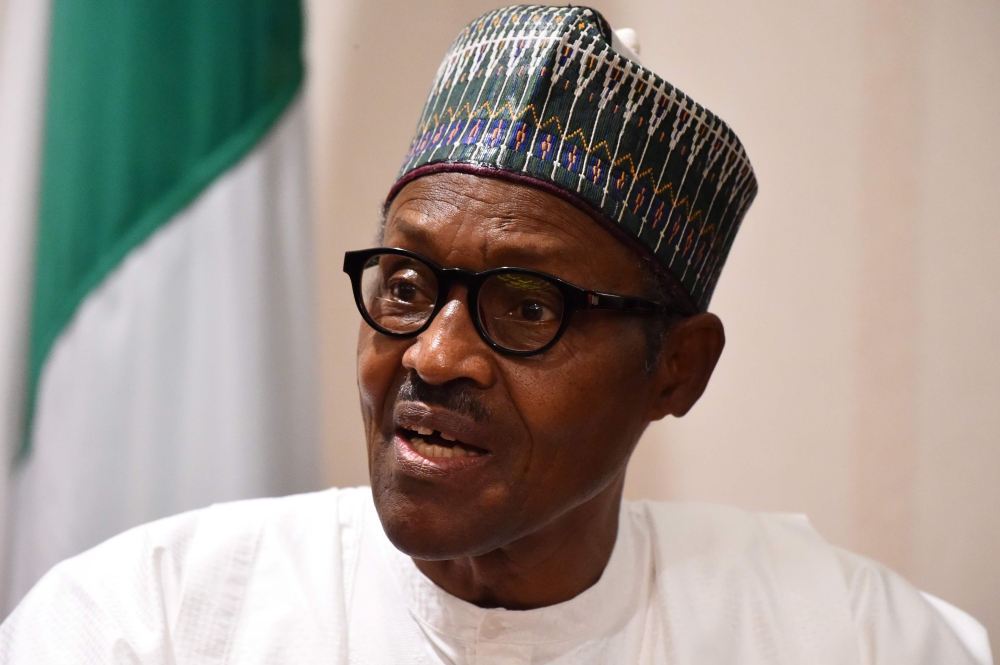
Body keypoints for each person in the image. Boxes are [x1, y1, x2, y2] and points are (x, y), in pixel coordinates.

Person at [0, 5, 991, 664]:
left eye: (526, 307)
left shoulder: (844, 636)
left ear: (676, 368)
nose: (432, 354)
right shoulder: (148, 623)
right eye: (406, 282)